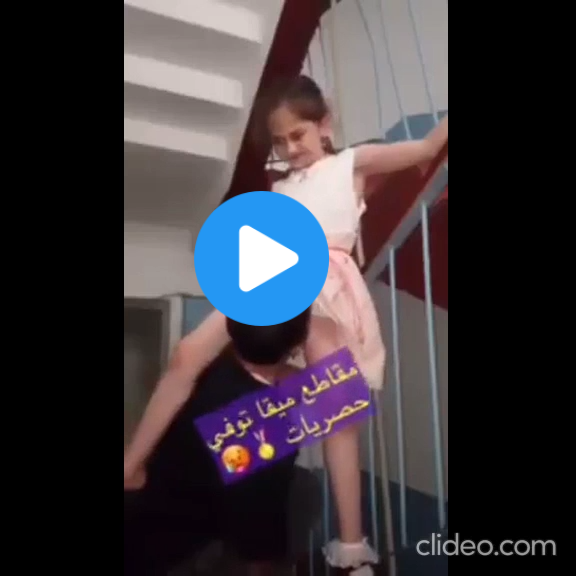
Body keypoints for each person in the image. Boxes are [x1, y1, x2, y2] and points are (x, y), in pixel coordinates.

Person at [124, 75, 448, 574]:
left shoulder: (351, 163)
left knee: (337, 404)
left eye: (297, 135)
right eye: (280, 141)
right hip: (276, 274)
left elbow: (426, 148)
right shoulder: (278, 187)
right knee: (188, 352)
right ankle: (132, 464)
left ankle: (351, 546)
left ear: (324, 124)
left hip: (325, 280)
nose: (290, 149)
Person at [124, 309, 312, 576]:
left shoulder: (202, 371)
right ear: (298, 343)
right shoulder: (267, 429)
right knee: (306, 492)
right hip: (177, 556)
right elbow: (259, 541)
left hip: (145, 520)